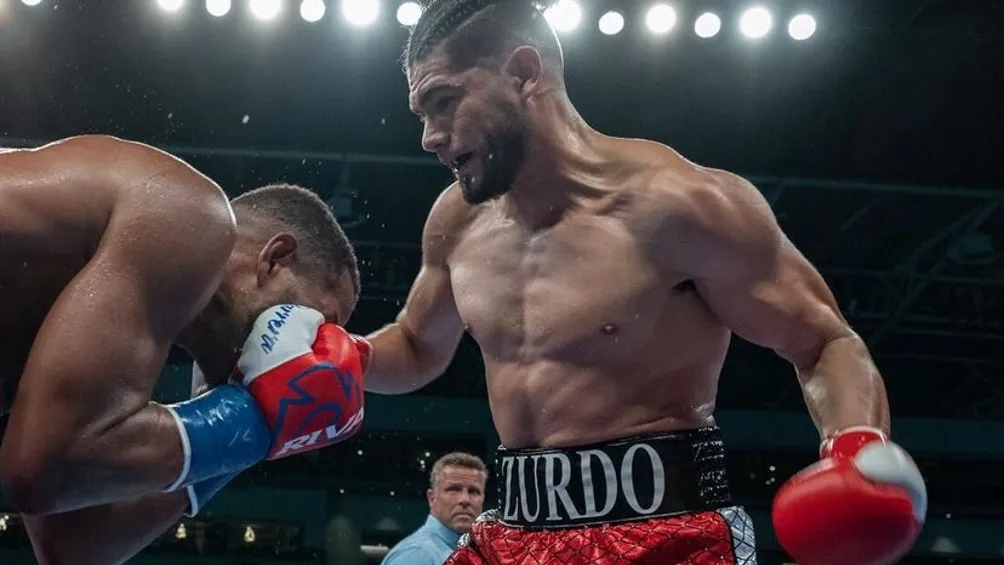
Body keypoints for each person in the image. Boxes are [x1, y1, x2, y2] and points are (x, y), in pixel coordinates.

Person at [363, 1, 928, 564]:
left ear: (523, 73)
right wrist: (337, 356)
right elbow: (416, 346)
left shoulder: (680, 206)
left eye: (444, 102)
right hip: (513, 534)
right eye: (421, 115)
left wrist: (855, 443)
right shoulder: (456, 221)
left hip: (665, 537)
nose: (430, 137)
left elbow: (824, 340)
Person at [0, 135, 369, 565]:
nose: (311, 348)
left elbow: (72, 545)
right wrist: (248, 421)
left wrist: (239, 431)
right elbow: (41, 469)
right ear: (275, 257)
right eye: (319, 320)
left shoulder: (114, 324)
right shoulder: (194, 214)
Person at [382, 452, 488, 565]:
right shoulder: (416, 555)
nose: (465, 499)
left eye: (473, 491)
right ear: (432, 498)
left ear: (482, 499)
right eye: (453, 489)